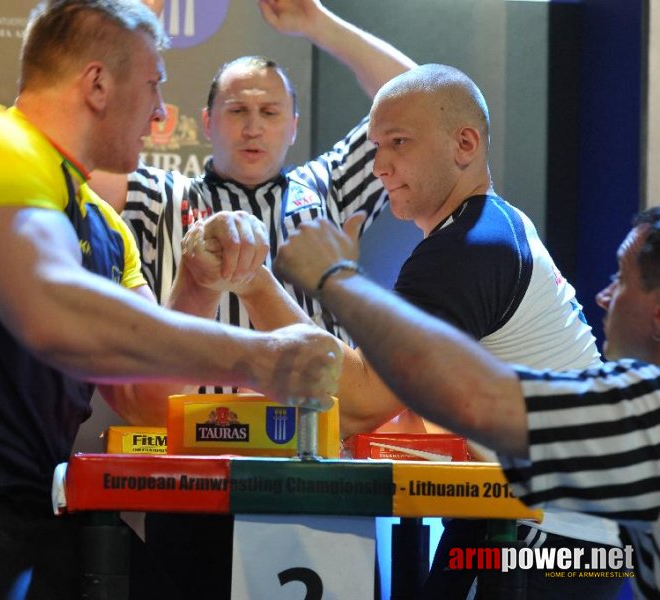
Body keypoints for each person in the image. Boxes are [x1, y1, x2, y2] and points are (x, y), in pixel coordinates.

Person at [0, 2, 343, 598]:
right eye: (153, 86)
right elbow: (53, 311)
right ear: (98, 84)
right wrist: (261, 358)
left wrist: (198, 285)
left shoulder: (106, 225)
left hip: (35, 506)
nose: (158, 113)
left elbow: (145, 400)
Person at [286, 63, 623, 599]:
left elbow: (363, 402)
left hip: (552, 532)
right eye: (375, 147)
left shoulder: (468, 248)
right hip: (546, 525)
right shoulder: (487, 228)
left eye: (398, 142)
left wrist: (254, 282)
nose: (379, 166)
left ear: (465, 143)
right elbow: (407, 410)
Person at [275, 204, 660, 599]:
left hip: (545, 545)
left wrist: (336, 280)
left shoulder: (640, 407)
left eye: (622, 279)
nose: (603, 295)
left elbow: (472, 397)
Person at [90, 0, 417, 434]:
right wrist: (134, 26)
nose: (253, 128)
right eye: (238, 110)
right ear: (207, 122)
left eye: (270, 112)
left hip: (311, 449)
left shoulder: (328, 188)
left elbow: (417, 104)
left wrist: (319, 24)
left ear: (294, 126)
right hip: (188, 452)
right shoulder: (157, 193)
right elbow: (74, 152)